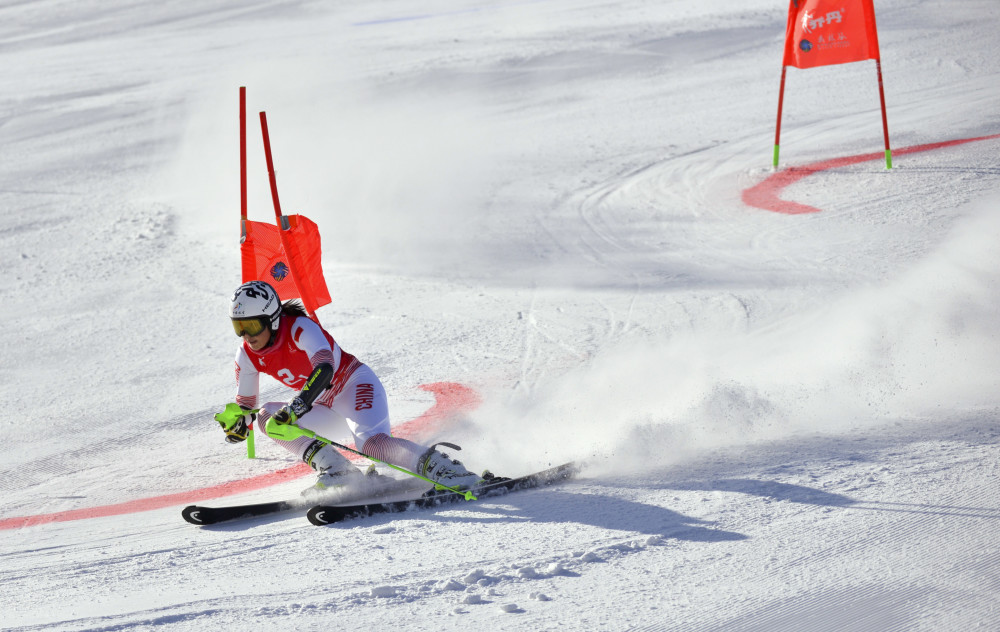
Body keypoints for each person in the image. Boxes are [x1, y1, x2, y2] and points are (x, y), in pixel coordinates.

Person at [219, 280, 487, 493]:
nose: (246, 335)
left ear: (272, 319)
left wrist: (296, 408)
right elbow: (246, 405)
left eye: (252, 325)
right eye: (238, 327)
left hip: (354, 386)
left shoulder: (300, 328)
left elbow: (325, 370)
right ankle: (338, 472)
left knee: (371, 445)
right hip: (323, 406)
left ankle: (447, 470)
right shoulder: (246, 354)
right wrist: (239, 424)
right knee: (267, 416)